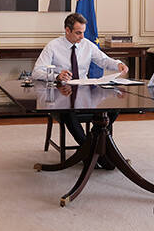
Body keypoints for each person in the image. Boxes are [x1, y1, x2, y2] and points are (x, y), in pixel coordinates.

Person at [32, 13, 128, 167]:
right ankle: (91, 152)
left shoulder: (87, 45)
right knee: (68, 112)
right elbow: (36, 72)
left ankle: (93, 148)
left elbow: (104, 60)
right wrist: (57, 76)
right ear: (67, 30)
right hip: (62, 96)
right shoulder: (53, 46)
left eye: (83, 32)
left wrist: (118, 64)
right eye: (78, 33)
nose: (82, 36)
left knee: (113, 108)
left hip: (85, 94)